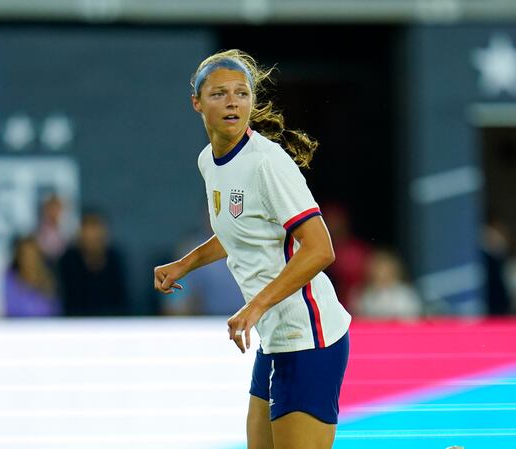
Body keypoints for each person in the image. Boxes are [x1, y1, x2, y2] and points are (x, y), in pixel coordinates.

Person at [153, 50, 351, 449]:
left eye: (241, 93)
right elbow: (238, 231)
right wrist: (185, 264)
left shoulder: (267, 163)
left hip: (309, 335)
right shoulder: (209, 161)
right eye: (219, 94)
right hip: (275, 336)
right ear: (197, 103)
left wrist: (255, 305)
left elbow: (319, 250)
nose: (232, 102)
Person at [58, 211, 129, 316]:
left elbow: (121, 300)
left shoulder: (115, 259)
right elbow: (66, 299)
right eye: (88, 234)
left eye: (96, 235)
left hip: (111, 323)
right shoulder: (68, 260)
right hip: (74, 324)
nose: (92, 239)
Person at [353, 249, 422, 320]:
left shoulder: (406, 294)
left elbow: (412, 322)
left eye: (385, 269)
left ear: (394, 270)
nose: (382, 273)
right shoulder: (361, 295)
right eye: (378, 269)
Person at [3, 235, 60, 317]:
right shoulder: (9, 281)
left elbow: (57, 312)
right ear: (18, 257)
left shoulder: (49, 282)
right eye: (25, 255)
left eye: (32, 254)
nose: (29, 259)